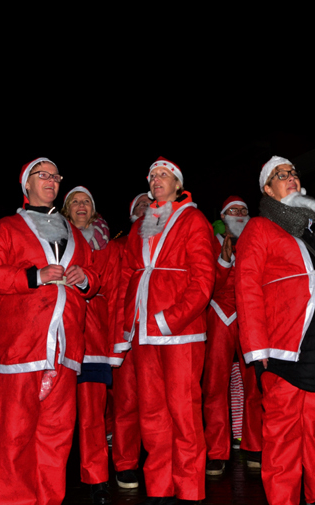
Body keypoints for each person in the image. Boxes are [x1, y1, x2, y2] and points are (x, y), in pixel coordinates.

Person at [0, 158, 105, 504]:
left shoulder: (74, 233)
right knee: (15, 434)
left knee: (57, 435)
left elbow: (94, 277)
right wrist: (33, 276)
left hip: (66, 345)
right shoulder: (5, 229)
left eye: (55, 176)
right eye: (42, 175)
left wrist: (85, 279)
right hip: (21, 345)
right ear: (26, 184)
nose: (51, 181)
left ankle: (49, 499)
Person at [235, 155, 315, 505]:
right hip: (283, 338)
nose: (290, 177)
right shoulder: (259, 228)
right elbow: (247, 287)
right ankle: (282, 498)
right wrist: (256, 348)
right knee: (283, 425)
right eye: (280, 175)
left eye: (293, 172)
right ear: (267, 188)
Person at [113, 157, 215, 504]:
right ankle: (159, 488)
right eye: (152, 175)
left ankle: (189, 490)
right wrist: (126, 325)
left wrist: (170, 319)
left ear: (178, 184)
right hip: (142, 331)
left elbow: (203, 280)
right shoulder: (141, 225)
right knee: (151, 413)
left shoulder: (194, 219)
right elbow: (127, 277)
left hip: (180, 332)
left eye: (164, 175)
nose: (156, 180)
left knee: (184, 411)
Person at [61, 185, 116, 504]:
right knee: (57, 415)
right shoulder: (55, 240)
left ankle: (97, 479)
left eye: (86, 202)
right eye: (75, 202)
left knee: (93, 415)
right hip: (60, 337)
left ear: (93, 209)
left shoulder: (107, 246)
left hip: (94, 339)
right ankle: (54, 476)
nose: (81, 206)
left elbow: (113, 289)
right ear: (66, 209)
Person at [203, 196, 263, 475]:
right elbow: (205, 284)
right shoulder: (209, 241)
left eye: (243, 210)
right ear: (223, 216)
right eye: (233, 210)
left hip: (250, 314)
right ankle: (216, 451)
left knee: (255, 384)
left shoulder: (255, 240)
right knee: (215, 384)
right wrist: (224, 261)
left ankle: (254, 446)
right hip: (219, 313)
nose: (239, 213)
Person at [110, 191, 152, 490]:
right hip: (128, 331)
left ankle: (156, 456)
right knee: (126, 399)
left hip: (158, 331)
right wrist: (116, 337)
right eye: (140, 205)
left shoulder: (164, 243)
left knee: (156, 400)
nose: (146, 208)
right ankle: (125, 463)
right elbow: (114, 293)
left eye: (150, 204)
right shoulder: (119, 246)